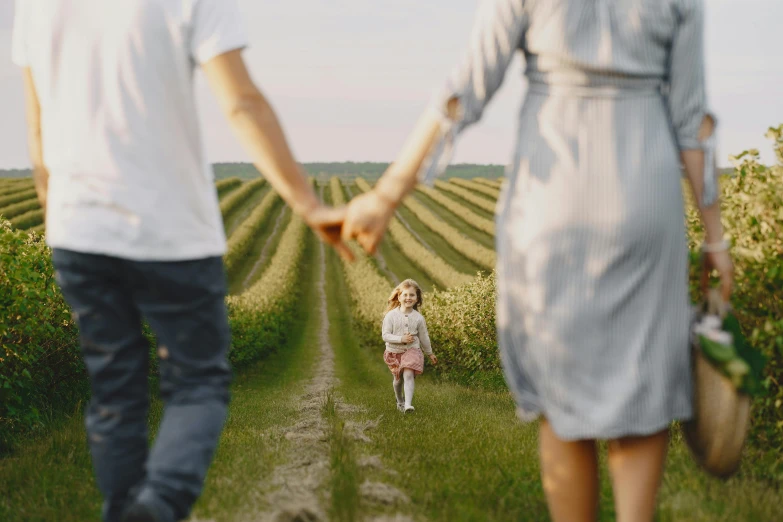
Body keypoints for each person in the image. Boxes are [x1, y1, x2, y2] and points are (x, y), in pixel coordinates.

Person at [341, 1, 734, 521]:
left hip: (551, 203)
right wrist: (715, 238)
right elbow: (693, 120)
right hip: (643, 198)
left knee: (559, 397)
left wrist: (388, 194)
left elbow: (463, 92)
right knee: (641, 389)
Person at [12, 1, 350, 521]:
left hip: (79, 228)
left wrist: (61, 219)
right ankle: (160, 505)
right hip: (171, 228)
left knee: (115, 390)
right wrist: (308, 203)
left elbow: (37, 131)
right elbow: (240, 104)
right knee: (197, 383)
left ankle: (128, 512)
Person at [381, 279, 437, 413]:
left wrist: (430, 353)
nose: (408, 298)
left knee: (408, 374)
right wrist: (401, 339)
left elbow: (424, 337)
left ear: (417, 299)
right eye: (405, 295)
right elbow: (385, 335)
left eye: (412, 295)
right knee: (397, 380)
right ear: (399, 297)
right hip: (394, 352)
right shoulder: (391, 316)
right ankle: (400, 400)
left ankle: (408, 405)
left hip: (412, 350)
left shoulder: (418, 318)